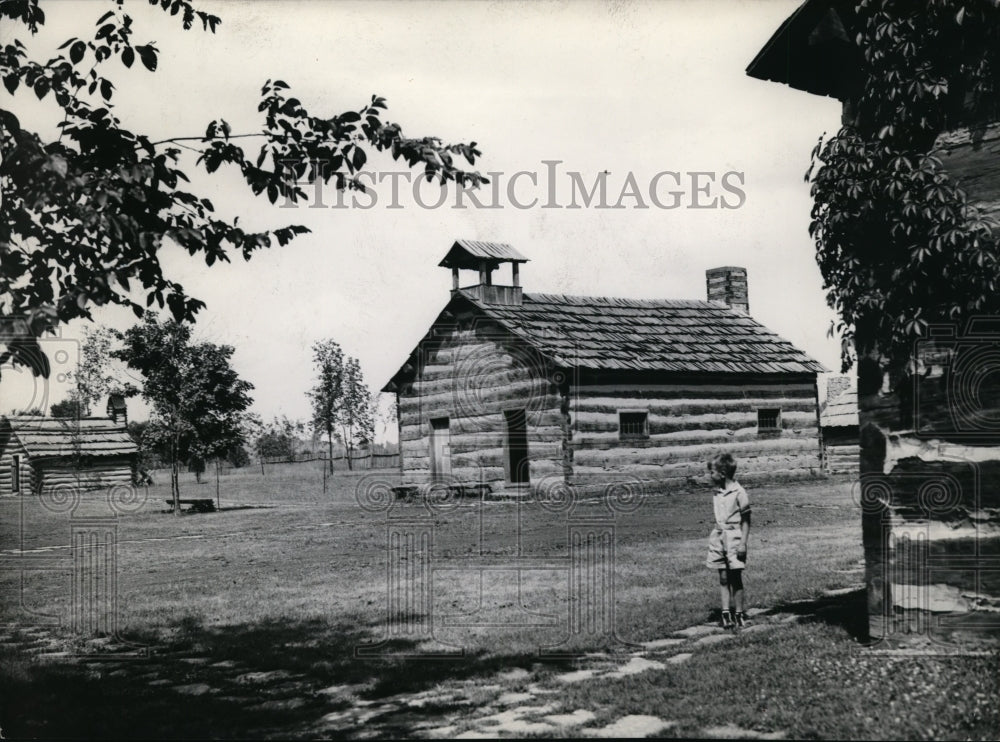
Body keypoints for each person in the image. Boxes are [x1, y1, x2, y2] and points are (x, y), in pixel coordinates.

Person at [705, 452, 752, 629]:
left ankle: (739, 614)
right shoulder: (716, 492)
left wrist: (743, 543)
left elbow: (747, 520)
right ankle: (726, 614)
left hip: (734, 538)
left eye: (712, 472)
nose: (710, 475)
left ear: (722, 473)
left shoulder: (740, 493)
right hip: (718, 537)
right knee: (723, 577)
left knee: (736, 577)